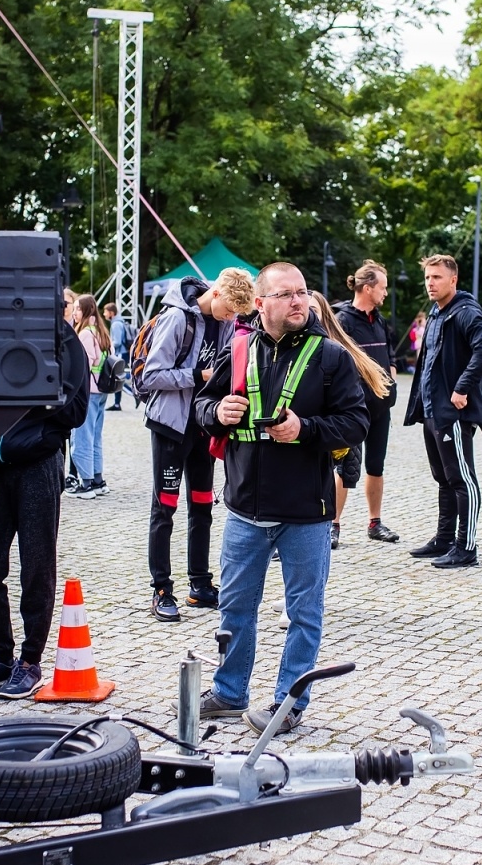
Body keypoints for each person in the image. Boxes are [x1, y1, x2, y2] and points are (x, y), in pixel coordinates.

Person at [193, 262, 367, 734]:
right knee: (235, 608)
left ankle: (289, 703)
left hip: (306, 512)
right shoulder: (238, 349)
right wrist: (217, 412)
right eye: (286, 294)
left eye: (302, 292)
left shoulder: (330, 357)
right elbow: (201, 404)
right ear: (260, 303)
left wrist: (305, 429)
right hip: (244, 509)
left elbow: (356, 423)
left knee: (303, 615)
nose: (298, 301)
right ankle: (229, 692)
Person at [0, 313, 90, 697]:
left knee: (36, 568)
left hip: (38, 464)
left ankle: (30, 660)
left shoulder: (64, 338)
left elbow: (77, 409)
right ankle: (0, 657)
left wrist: (34, 416)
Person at [138, 269, 253, 622]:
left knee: (203, 506)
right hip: (171, 426)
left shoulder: (226, 323)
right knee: (165, 508)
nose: (231, 318)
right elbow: (151, 375)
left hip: (204, 425)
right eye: (229, 310)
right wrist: (197, 376)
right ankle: (161, 589)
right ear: (215, 293)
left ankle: (200, 584)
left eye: (236, 314)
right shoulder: (176, 318)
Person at [403, 254, 482, 569]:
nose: (430, 283)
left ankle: (466, 547)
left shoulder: (466, 312)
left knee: (461, 478)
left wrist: (462, 387)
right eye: (428, 278)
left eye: (437, 277)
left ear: (453, 279)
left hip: (453, 411)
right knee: (443, 477)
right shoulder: (436, 312)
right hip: (432, 411)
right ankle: (443, 540)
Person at [331, 261, 403, 545]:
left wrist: (391, 377)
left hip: (381, 408)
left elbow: (391, 354)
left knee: (376, 466)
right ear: (368, 288)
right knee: (346, 467)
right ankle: (333, 525)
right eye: (382, 287)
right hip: (353, 409)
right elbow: (336, 362)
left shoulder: (380, 321)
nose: (385, 292)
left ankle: (375, 523)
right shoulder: (343, 321)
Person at [68, 294, 112, 498]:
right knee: (95, 437)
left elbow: (84, 363)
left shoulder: (85, 333)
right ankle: (97, 479)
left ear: (86, 310)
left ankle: (85, 483)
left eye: (78, 308)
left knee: (82, 437)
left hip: (89, 391)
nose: (74, 313)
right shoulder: (101, 331)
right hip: (102, 390)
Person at [104, 301, 135, 411]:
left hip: (120, 353)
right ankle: (117, 404)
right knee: (117, 378)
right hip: (122, 353)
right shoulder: (119, 322)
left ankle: (133, 393)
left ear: (111, 313)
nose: (104, 314)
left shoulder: (116, 324)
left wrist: (107, 345)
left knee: (117, 378)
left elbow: (117, 342)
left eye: (105, 312)